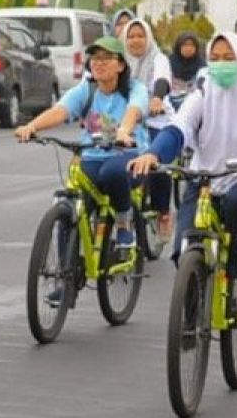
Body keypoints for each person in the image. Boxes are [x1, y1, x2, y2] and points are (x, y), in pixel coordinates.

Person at [128, 32, 237, 311]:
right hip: (203, 180)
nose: (221, 64)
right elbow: (178, 128)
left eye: (229, 58)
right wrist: (153, 153)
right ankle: (193, 311)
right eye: (216, 58)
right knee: (183, 247)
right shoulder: (203, 92)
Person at [15, 36, 147, 255]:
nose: (99, 63)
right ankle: (65, 276)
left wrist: (124, 131)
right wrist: (32, 126)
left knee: (112, 172)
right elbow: (60, 111)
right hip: (92, 156)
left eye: (106, 58)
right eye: (95, 58)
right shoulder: (87, 90)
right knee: (70, 202)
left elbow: (134, 110)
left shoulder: (135, 89)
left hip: (129, 156)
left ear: (121, 65)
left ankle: (124, 222)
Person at [123, 19, 174, 241]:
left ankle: (163, 212)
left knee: (157, 164)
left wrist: (157, 99)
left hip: (156, 119)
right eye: (131, 36)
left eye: (140, 35)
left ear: (148, 38)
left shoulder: (158, 58)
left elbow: (162, 79)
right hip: (126, 119)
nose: (135, 40)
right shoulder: (119, 59)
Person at [168, 31, 206, 107]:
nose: (188, 48)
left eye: (192, 45)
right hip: (171, 102)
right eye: (185, 45)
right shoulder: (169, 62)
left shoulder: (201, 64)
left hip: (194, 104)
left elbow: (202, 85)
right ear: (179, 46)